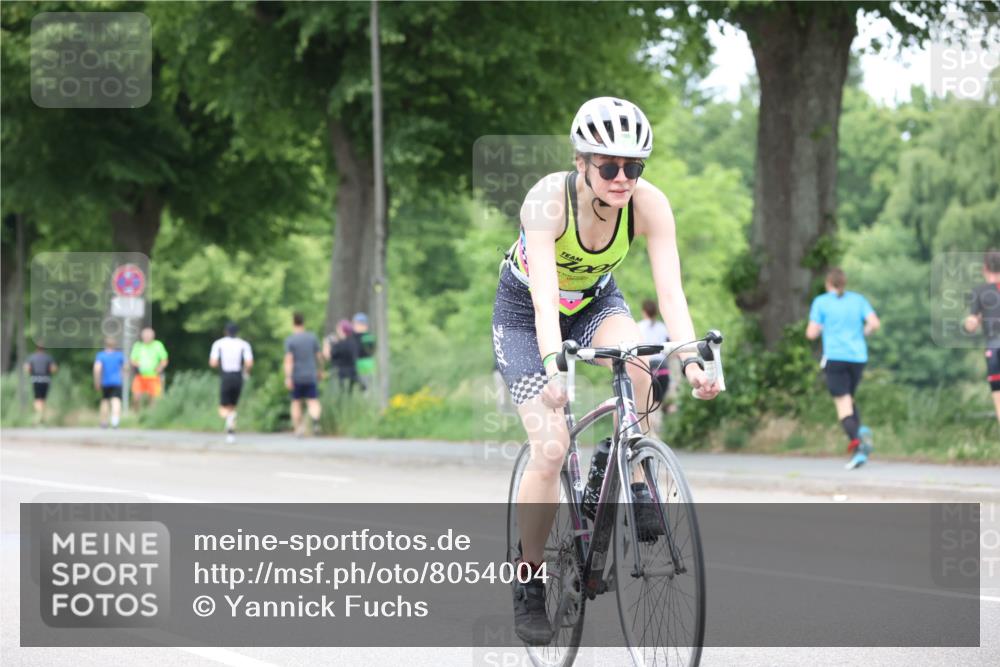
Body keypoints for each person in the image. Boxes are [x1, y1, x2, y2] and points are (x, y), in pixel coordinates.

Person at [493, 97, 721, 644]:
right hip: (525, 315)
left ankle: (633, 476)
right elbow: (544, 302)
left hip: (595, 303)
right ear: (581, 163)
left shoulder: (649, 205)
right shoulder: (547, 201)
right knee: (551, 448)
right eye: (609, 166)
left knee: (639, 362)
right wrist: (555, 371)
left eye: (633, 167)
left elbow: (671, 294)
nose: (622, 179)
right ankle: (529, 576)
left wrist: (691, 360)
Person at [806, 267, 880, 470]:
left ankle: (859, 443)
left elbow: (810, 333)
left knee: (843, 406)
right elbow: (874, 323)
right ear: (844, 283)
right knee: (849, 400)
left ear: (828, 283)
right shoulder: (858, 300)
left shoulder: (821, 302)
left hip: (836, 357)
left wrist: (822, 327)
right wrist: (864, 332)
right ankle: (860, 440)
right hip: (858, 358)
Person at [964, 250, 1000, 425]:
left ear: (984, 269)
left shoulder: (980, 291)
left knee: (998, 393)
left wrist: (970, 322)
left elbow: (971, 324)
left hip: (994, 346)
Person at [209, 322, 254, 443]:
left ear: (225, 331)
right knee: (232, 406)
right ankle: (230, 433)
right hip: (238, 376)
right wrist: (245, 372)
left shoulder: (219, 344)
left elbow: (213, 363)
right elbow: (249, 363)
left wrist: (220, 364)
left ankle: (229, 420)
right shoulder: (244, 344)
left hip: (226, 375)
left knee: (223, 408)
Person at [284, 312, 323, 436]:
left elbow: (289, 359)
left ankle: (299, 428)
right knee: (313, 401)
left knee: (296, 402)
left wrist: (288, 377)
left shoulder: (291, 340)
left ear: (293, 323)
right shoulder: (312, 338)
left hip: (297, 376)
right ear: (303, 323)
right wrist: (320, 370)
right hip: (311, 374)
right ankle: (315, 421)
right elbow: (319, 356)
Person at [637, 298, 672, 431]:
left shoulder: (638, 327)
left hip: (648, 368)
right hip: (663, 369)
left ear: (644, 311)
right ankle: (658, 433)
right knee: (657, 405)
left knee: (646, 405)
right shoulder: (662, 327)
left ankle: (648, 432)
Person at [130, 327, 169, 412]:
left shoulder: (158, 345)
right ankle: (136, 414)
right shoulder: (138, 346)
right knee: (136, 398)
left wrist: (159, 368)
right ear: (142, 336)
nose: (147, 337)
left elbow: (164, 360)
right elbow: (132, 360)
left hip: (154, 376)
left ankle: (151, 415)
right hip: (140, 376)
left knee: (154, 399)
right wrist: (138, 364)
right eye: (145, 336)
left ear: (153, 336)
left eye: (148, 336)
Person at [93, 337, 124, 429]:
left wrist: (97, 381)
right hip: (117, 381)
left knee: (105, 401)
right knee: (116, 400)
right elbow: (125, 367)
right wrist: (122, 376)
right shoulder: (119, 355)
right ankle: (115, 422)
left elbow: (97, 369)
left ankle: (104, 422)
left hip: (105, 382)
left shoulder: (101, 355)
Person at [24, 344, 57, 425]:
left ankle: (39, 416)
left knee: (37, 399)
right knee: (43, 399)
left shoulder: (32, 357)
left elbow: (27, 368)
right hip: (46, 379)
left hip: (36, 379)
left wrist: (31, 372)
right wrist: (48, 372)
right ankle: (41, 416)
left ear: (37, 349)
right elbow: (54, 368)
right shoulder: (48, 357)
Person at [324, 319, 360, 391]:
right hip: (352, 375)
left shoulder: (339, 345)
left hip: (340, 376)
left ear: (342, 330)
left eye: (338, 329)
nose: (337, 331)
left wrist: (326, 343)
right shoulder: (354, 343)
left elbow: (328, 356)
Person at [351, 312, 376, 391]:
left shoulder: (367, 336)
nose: (354, 326)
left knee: (366, 389)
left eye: (356, 324)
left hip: (365, 365)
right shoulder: (354, 336)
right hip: (358, 366)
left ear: (363, 325)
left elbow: (369, 350)